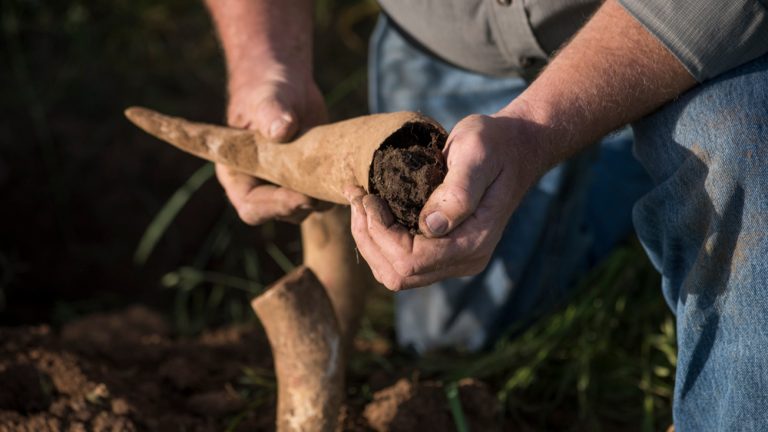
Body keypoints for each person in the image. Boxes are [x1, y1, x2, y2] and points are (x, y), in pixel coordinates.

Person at [204, 0, 768, 429]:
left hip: (683, 31)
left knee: (745, 163)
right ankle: (619, 162)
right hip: (454, 37)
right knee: (455, 337)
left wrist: (531, 136)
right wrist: (266, 61)